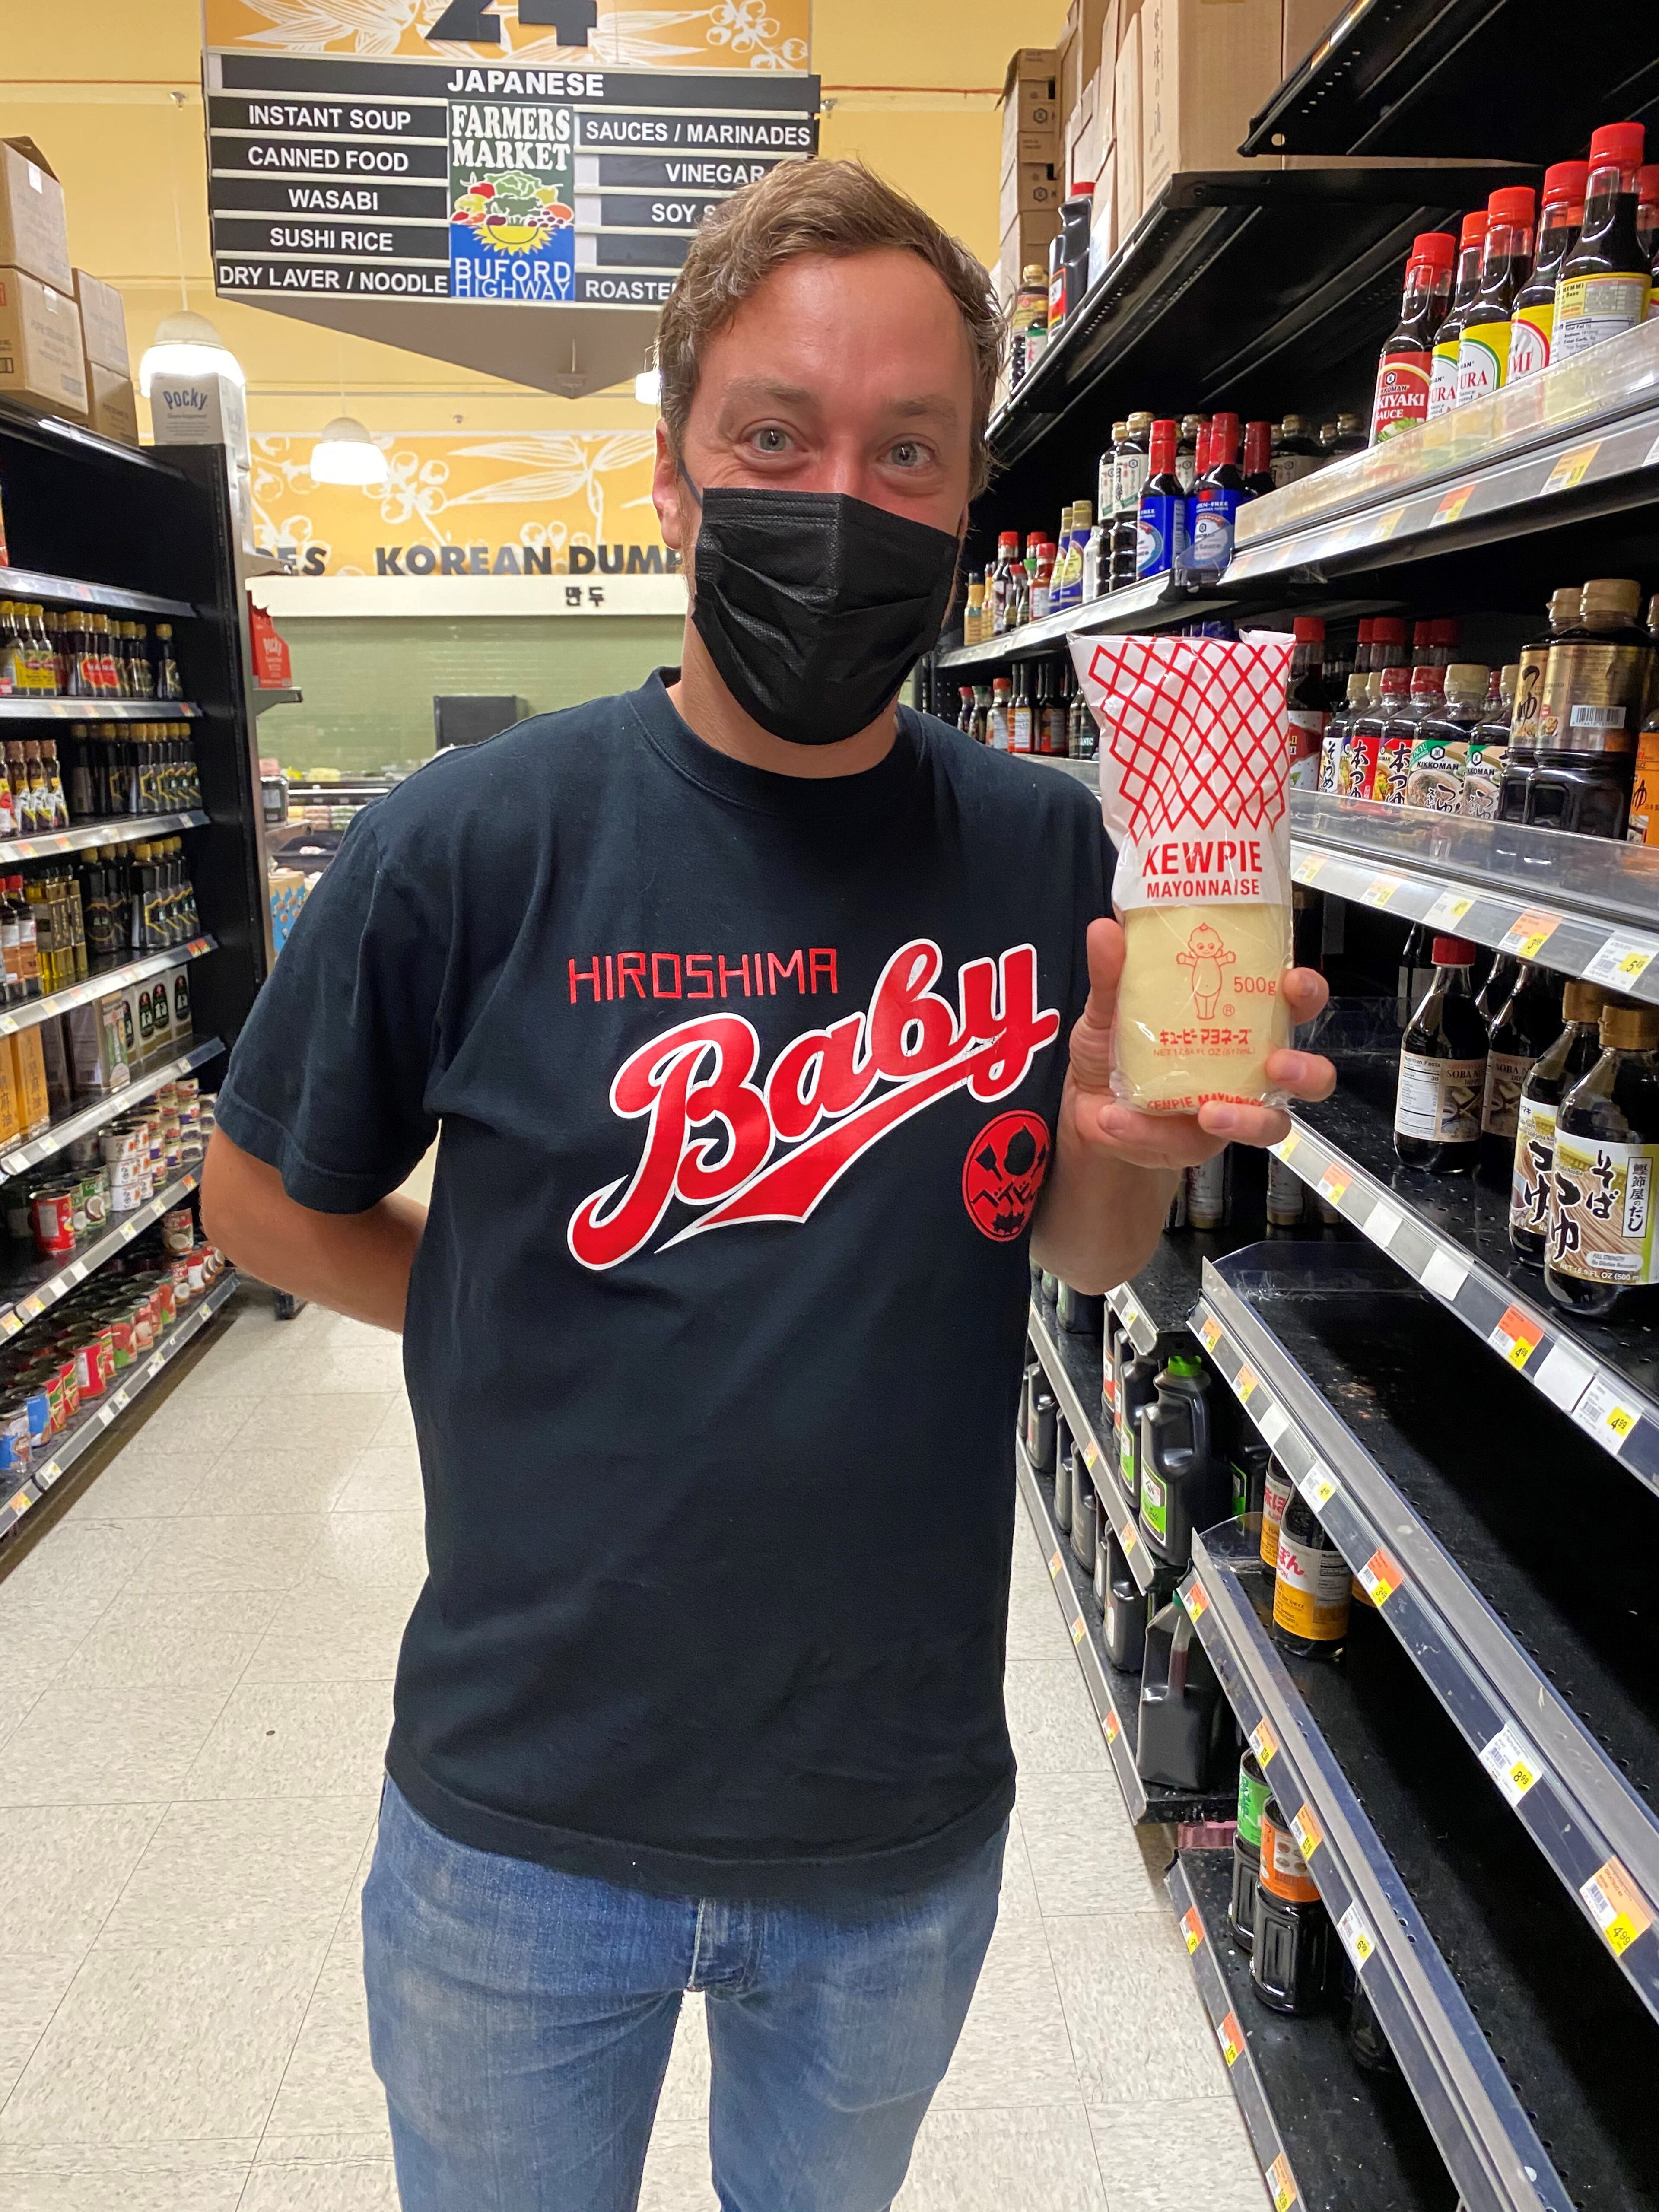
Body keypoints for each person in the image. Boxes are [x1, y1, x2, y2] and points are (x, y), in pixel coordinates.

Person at [202, 159, 1335, 2212]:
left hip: (889, 1821)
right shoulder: (468, 847)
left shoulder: (1047, 852)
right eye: (775, 439)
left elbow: (1075, 1245)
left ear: (970, 500)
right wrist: (502, 1293)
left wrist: (1130, 1144)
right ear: (673, 475)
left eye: (906, 449)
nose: (840, 500)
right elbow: (258, 1202)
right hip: (522, 1820)